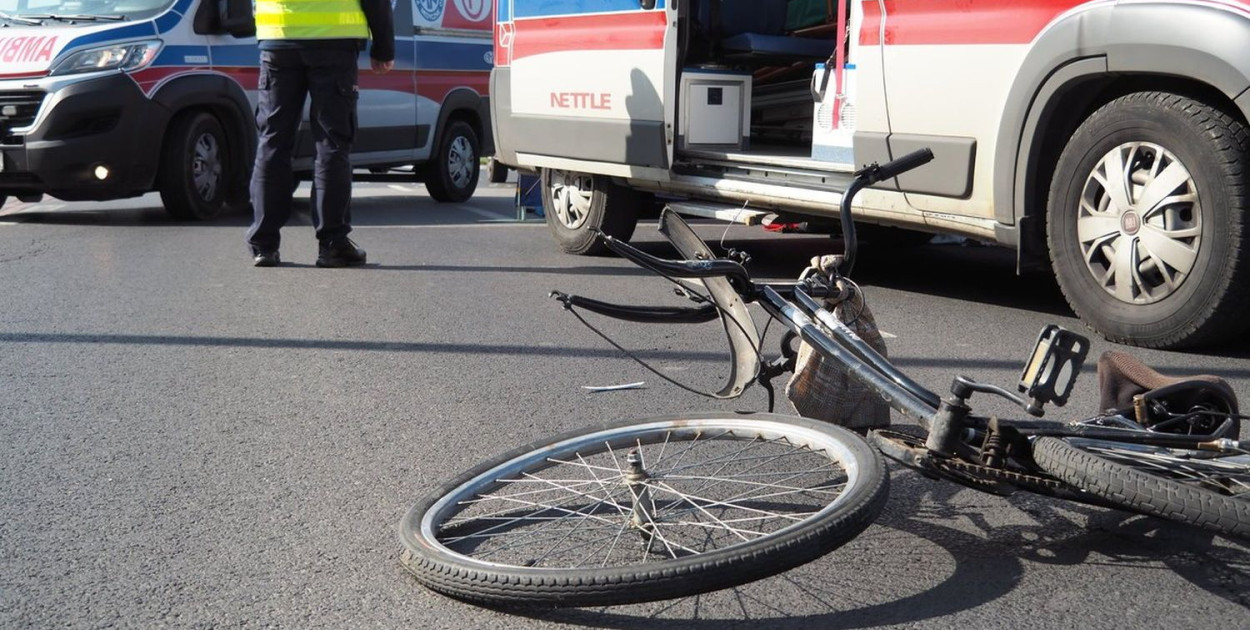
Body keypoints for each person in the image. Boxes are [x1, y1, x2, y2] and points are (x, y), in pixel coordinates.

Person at [245, 0, 395, 267]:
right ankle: (332, 243)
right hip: (333, 42)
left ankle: (263, 245)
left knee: (273, 141)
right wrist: (383, 46)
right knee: (332, 141)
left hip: (278, 37)